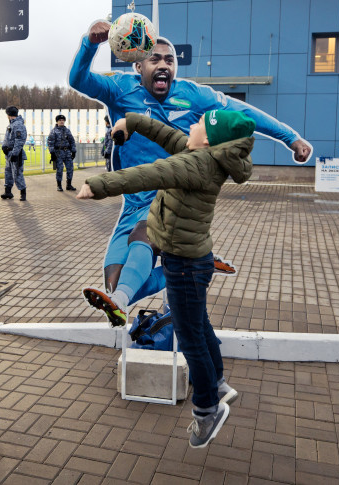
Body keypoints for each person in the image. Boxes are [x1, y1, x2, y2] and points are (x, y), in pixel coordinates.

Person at [69, 19, 312, 325]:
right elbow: (79, 80)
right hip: (133, 200)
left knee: (144, 237)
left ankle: (180, 271)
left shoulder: (193, 95)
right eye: (154, 59)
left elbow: (243, 112)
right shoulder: (119, 89)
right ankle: (196, 266)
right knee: (115, 283)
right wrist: (90, 44)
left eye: (169, 60)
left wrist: (290, 137)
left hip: (171, 194)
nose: (163, 65)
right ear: (138, 66)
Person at [77, 110, 253, 448]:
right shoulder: (198, 152)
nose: (190, 125)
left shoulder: (196, 165)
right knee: (199, 326)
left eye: (199, 124)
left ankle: (207, 410)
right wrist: (133, 122)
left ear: (209, 140)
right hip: (189, 259)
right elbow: (164, 133)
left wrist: (97, 185)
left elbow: (149, 173)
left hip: (185, 265)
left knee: (191, 339)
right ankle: (218, 384)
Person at [1, 106, 27, 201]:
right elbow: (6, 138)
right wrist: (4, 147)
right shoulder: (11, 124)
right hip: (9, 153)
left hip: (16, 154)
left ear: (8, 115)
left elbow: (20, 140)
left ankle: (23, 192)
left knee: (17, 174)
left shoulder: (18, 124)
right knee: (8, 172)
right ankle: (8, 192)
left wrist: (15, 154)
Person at [47, 114, 77, 191]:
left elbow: (72, 141)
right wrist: (52, 153)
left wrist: (73, 151)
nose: (61, 121)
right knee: (59, 169)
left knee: (70, 169)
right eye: (60, 120)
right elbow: (50, 143)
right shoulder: (53, 131)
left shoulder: (67, 130)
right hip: (58, 153)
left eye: (63, 120)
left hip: (67, 152)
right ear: (57, 122)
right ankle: (59, 185)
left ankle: (69, 185)